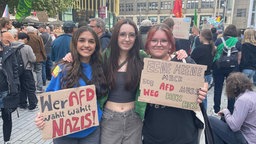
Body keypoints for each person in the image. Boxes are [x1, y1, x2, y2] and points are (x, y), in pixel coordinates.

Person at [34, 26, 107, 144]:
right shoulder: (62, 68)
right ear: (75, 43)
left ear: (96, 45)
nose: (86, 45)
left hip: (91, 131)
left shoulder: (101, 67)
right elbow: (50, 95)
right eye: (82, 40)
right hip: (64, 134)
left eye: (91, 41)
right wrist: (41, 116)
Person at [142, 23, 208, 144]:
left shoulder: (184, 62)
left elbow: (202, 83)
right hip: (152, 136)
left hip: (183, 135)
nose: (158, 44)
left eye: (164, 41)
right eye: (154, 40)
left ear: (170, 44)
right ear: (148, 44)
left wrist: (202, 91)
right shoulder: (142, 65)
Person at [209, 72, 256, 144]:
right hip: (252, 136)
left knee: (210, 120)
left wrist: (226, 112)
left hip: (247, 139)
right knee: (221, 123)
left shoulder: (243, 100)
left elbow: (234, 126)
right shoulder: (253, 95)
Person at [212, 24, 241, 114]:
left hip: (219, 67)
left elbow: (214, 51)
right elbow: (239, 57)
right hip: (232, 68)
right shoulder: (237, 41)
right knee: (231, 88)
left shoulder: (219, 40)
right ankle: (230, 109)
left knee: (218, 88)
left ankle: (216, 108)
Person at [0, 24, 20, 144]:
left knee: (7, 115)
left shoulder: (9, 51)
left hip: (6, 89)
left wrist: (15, 86)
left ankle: (7, 140)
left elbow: (15, 69)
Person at [12, 32, 37, 110]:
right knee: (30, 87)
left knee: (21, 87)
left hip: (16, 71)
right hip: (26, 69)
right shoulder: (27, 47)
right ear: (25, 39)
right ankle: (32, 105)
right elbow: (32, 59)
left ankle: (22, 104)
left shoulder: (12, 46)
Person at [191, 29, 215, 109]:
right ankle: (204, 112)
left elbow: (191, 61)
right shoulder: (213, 48)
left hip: (199, 75)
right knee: (204, 95)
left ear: (202, 37)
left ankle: (200, 112)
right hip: (208, 74)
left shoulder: (198, 49)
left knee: (198, 96)